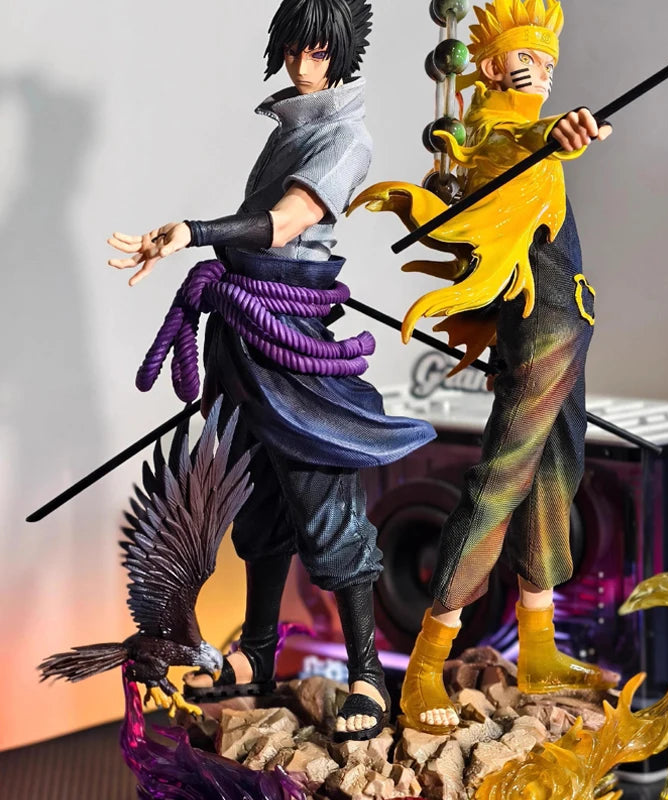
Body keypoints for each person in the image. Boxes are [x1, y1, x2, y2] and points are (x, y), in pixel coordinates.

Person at [108, 0, 435, 742]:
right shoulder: (289, 127)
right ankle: (258, 650)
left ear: (340, 52)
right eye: (291, 47)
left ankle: (367, 675)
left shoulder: (345, 136)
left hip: (288, 343)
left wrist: (194, 232)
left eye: (315, 50)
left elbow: (287, 223)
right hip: (241, 338)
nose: (300, 62)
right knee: (255, 500)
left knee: (323, 503)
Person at [350, 0, 617, 734]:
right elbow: (525, 141)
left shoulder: (518, 135)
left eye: (550, 62)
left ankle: (539, 646)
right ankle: (427, 663)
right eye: (529, 58)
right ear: (494, 66)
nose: (544, 71)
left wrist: (552, 136)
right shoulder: (501, 135)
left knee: (556, 475)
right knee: (502, 481)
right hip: (542, 334)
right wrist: (556, 135)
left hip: (566, 329)